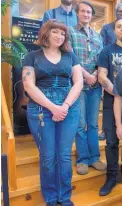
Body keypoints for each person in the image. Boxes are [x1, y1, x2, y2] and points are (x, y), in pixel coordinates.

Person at [22, 20, 83, 206]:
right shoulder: (32, 56)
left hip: (69, 109)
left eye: (62, 33)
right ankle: (50, 197)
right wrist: (52, 107)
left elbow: (78, 82)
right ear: (46, 34)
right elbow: (28, 85)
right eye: (55, 32)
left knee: (64, 155)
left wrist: (64, 106)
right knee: (48, 156)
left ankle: (64, 197)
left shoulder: (71, 56)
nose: (59, 36)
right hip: (40, 110)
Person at [97, 18, 122, 196]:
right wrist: (118, 92)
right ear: (114, 31)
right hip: (110, 102)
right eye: (119, 27)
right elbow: (101, 76)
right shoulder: (106, 51)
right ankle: (111, 177)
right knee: (112, 141)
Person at [69, 0, 105, 175]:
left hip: (96, 85)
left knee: (92, 124)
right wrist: (86, 75)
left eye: (89, 12)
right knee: (80, 123)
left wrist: (96, 74)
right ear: (77, 13)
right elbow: (70, 58)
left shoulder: (98, 36)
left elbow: (102, 59)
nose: (86, 14)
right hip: (79, 84)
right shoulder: (70, 33)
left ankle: (95, 158)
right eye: (83, 11)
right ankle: (82, 159)